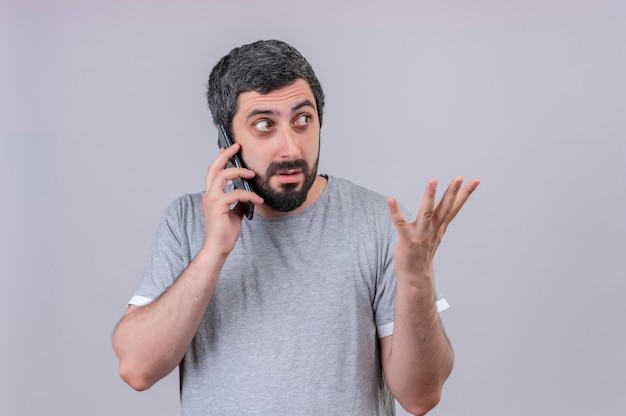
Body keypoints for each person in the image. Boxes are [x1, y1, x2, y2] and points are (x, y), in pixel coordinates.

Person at [112, 39, 480, 416]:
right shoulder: (187, 222)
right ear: (226, 140)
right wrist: (213, 253)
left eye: (303, 120)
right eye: (264, 125)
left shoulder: (381, 223)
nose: (290, 148)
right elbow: (137, 369)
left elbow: (420, 397)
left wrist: (417, 282)